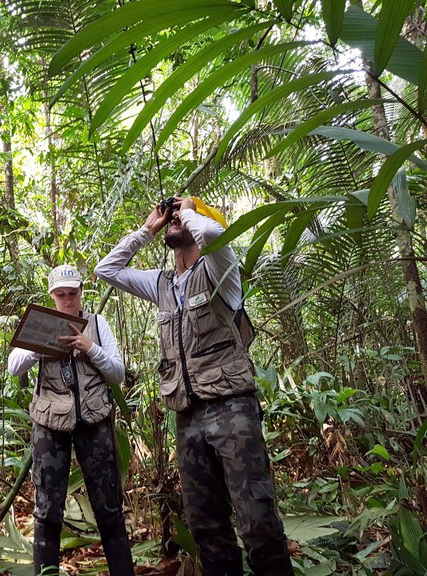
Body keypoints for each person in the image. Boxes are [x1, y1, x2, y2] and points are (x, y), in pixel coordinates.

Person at [94, 198, 293, 576]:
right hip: (187, 415)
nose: (174, 220)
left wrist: (188, 208)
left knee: (257, 519)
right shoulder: (162, 284)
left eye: (180, 219)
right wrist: (149, 229)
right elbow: (107, 269)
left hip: (232, 408)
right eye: (173, 217)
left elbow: (215, 235)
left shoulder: (221, 269)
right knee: (205, 525)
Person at [8, 264, 134, 576]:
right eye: (60, 294)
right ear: (51, 295)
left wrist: (90, 348)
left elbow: (117, 372)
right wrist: (41, 346)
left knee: (109, 510)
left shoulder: (97, 323)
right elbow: (14, 366)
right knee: (47, 513)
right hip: (50, 426)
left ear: (81, 292)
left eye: (72, 293)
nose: (67, 300)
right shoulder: (40, 322)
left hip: (95, 422)